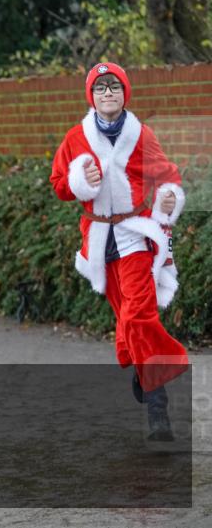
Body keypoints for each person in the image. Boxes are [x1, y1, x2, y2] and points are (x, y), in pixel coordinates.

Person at [50, 62, 188, 441]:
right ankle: (143, 373)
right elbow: (59, 184)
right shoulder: (75, 137)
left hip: (134, 234)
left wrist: (169, 197)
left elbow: (168, 176)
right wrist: (81, 181)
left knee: (139, 315)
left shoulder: (141, 134)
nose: (108, 92)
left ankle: (159, 406)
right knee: (127, 322)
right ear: (91, 96)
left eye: (114, 86)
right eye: (100, 87)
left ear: (125, 93)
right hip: (98, 240)